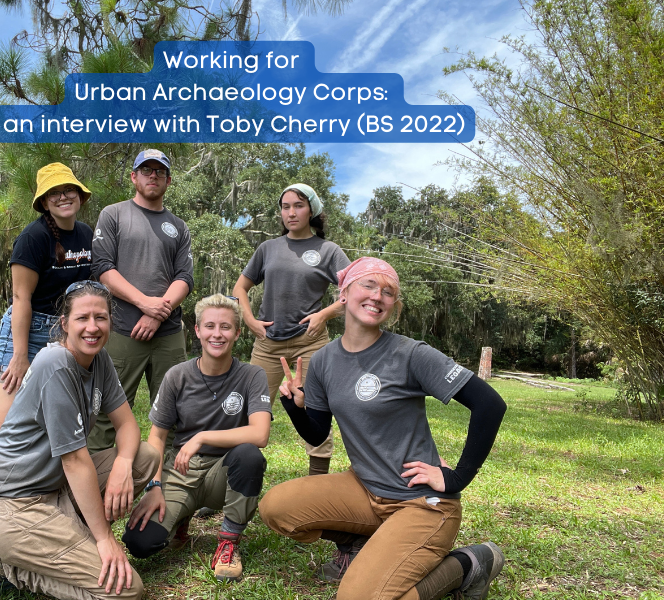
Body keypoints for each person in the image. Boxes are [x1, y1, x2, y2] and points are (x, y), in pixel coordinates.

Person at [258, 257, 508, 600]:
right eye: (368, 285)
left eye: (388, 291)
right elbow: (317, 433)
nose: (377, 296)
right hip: (364, 490)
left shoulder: (410, 354)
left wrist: (457, 477)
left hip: (421, 503)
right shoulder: (324, 361)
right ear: (343, 294)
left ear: (393, 305)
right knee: (276, 508)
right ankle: (361, 542)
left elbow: (490, 405)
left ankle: (468, 565)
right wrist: (294, 407)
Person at [0, 281, 160, 600]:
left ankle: (60, 539)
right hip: (9, 504)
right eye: (83, 318)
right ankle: (3, 564)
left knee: (143, 457)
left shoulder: (100, 360)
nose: (93, 327)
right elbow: (75, 460)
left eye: (101, 317)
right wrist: (105, 538)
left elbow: (127, 425)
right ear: (65, 323)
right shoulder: (55, 363)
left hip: (54, 490)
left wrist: (123, 463)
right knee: (125, 592)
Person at [0, 163, 95, 534]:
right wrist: (19, 354)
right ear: (44, 202)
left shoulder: (85, 235)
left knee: (54, 423)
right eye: (54, 193)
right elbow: (21, 297)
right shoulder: (32, 238)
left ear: (80, 196)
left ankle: (45, 496)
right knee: (1, 422)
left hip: (62, 335)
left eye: (69, 190)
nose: (63, 197)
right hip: (27, 330)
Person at [121, 294, 271, 582]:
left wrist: (202, 436)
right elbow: (157, 436)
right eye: (210, 326)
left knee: (250, 455)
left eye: (226, 327)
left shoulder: (252, 376)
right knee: (139, 543)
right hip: (180, 470)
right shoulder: (177, 375)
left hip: (224, 471)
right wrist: (154, 485)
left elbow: (260, 433)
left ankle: (228, 541)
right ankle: (180, 520)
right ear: (197, 330)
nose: (217, 334)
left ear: (238, 333)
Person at [232, 183, 350, 477]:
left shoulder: (328, 250)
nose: (291, 212)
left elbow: (354, 293)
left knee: (315, 411)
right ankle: (229, 483)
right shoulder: (268, 248)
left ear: (312, 209)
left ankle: (317, 486)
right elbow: (240, 288)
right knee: (249, 413)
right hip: (267, 346)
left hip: (311, 345)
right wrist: (248, 319)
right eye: (285, 207)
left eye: (298, 205)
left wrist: (324, 314)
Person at [88, 149, 194, 453]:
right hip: (122, 329)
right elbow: (103, 269)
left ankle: (168, 486)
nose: (153, 176)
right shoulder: (114, 214)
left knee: (175, 413)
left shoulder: (179, 226)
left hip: (169, 333)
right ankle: (98, 482)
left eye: (159, 172)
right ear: (134, 176)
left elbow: (184, 277)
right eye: (146, 170)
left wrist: (158, 313)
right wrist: (144, 304)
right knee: (107, 413)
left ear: (168, 180)